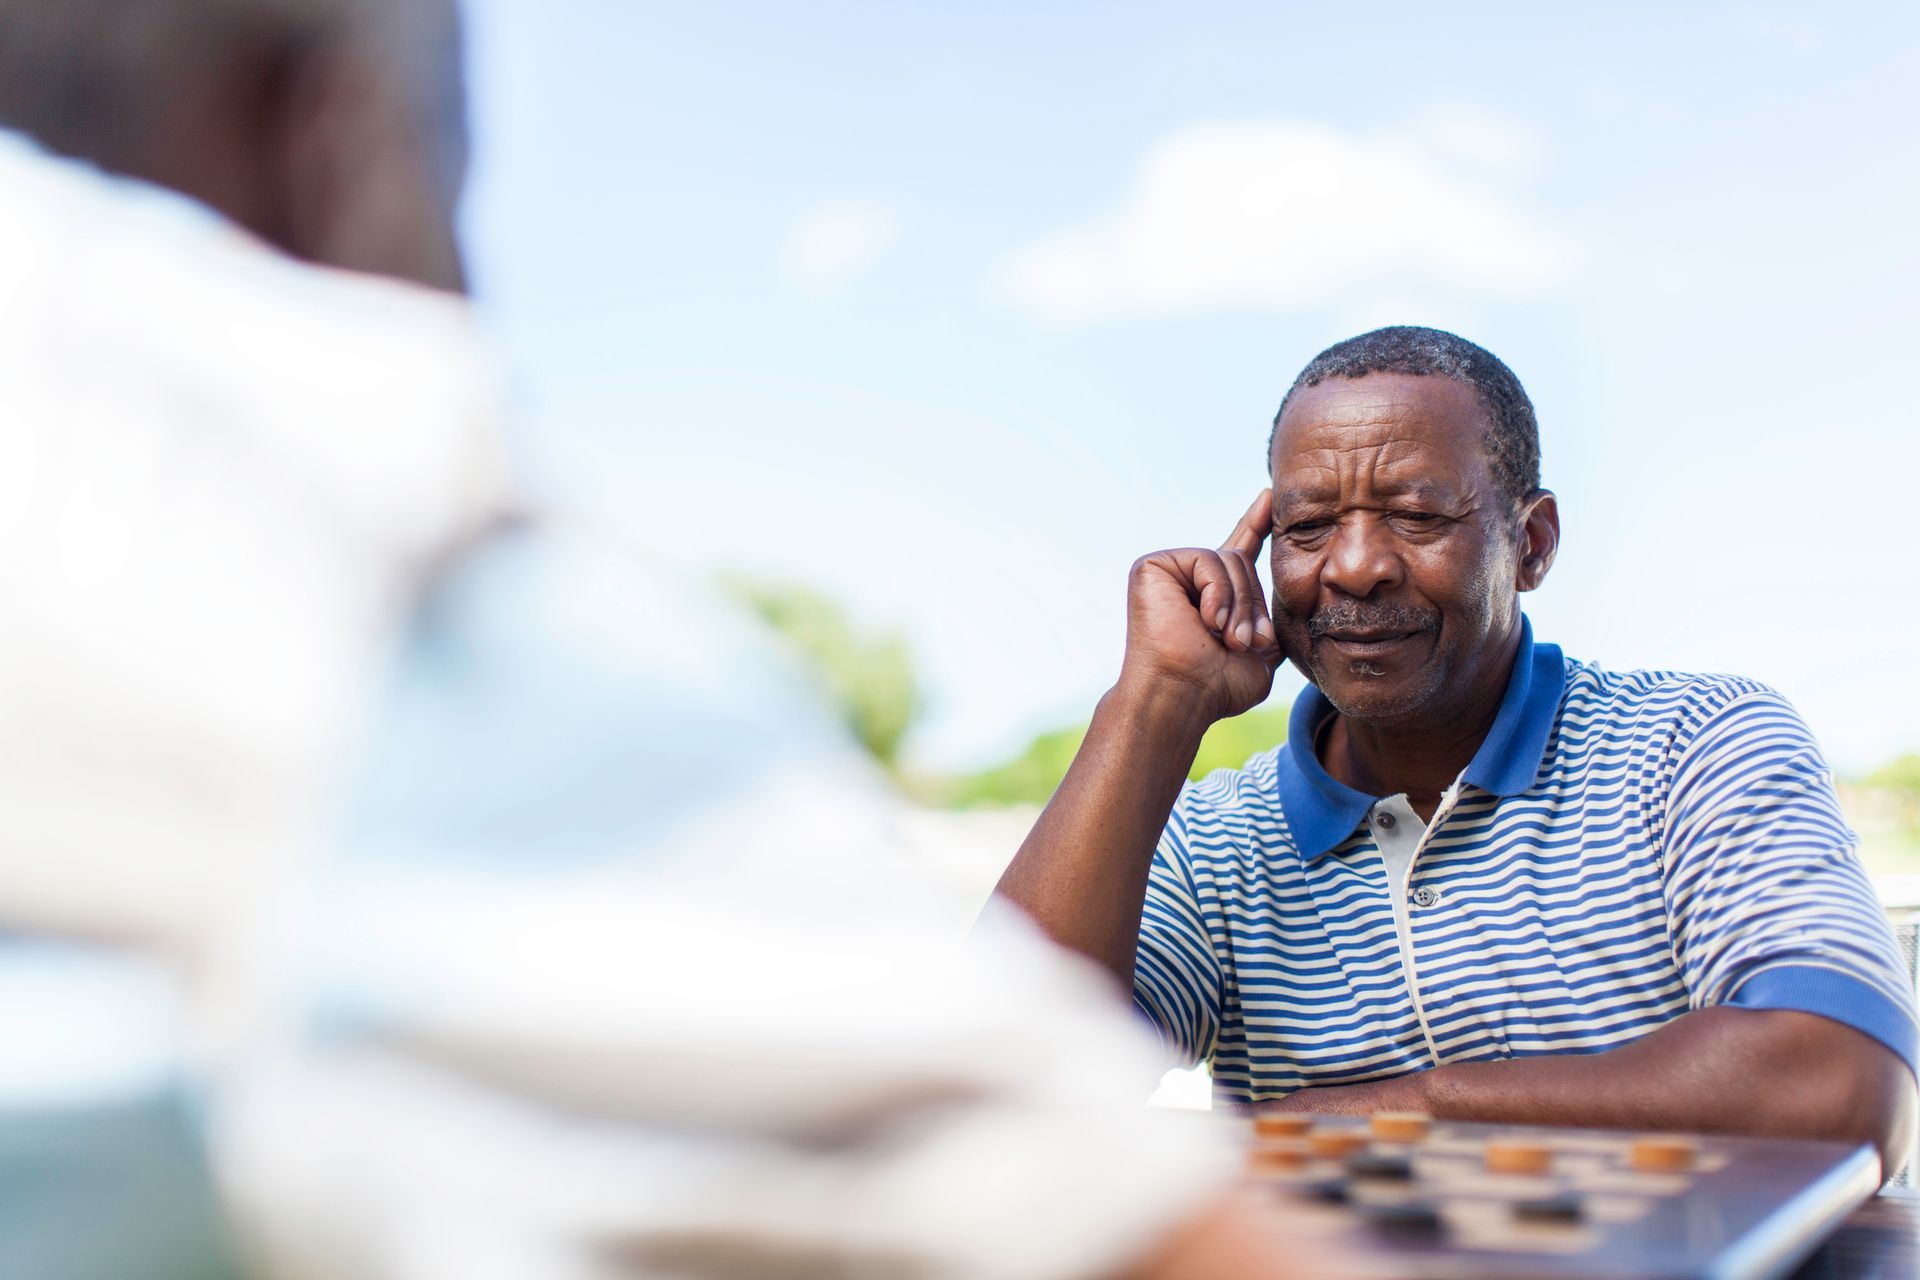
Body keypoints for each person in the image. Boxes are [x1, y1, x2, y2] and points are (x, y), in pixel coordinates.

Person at [0, 2, 1326, 1277]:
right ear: (335, 145)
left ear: (1538, 543)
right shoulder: (296, 512)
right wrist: (1151, 709)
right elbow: (1073, 1195)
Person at [995, 326, 1918, 1178]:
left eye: (1417, 516)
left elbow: (1838, 1082)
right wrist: (1152, 708)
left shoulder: (1696, 747)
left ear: (1533, 542)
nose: (1354, 566)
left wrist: (1399, 1111)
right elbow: (989, 1096)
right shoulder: (1215, 841)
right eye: (1308, 526)